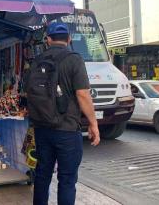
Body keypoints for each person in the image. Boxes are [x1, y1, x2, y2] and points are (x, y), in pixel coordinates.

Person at [29, 23, 100, 205]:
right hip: (67, 130)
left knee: (42, 174)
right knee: (67, 179)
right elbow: (83, 94)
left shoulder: (37, 60)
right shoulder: (74, 59)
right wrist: (93, 124)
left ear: (48, 40)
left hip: (42, 128)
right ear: (68, 39)